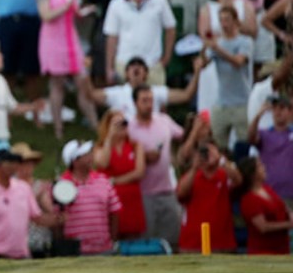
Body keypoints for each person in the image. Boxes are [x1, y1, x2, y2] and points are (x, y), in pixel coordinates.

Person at [35, 0, 97, 138]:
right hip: (53, 41)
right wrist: (68, 3)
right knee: (57, 84)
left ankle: (95, 125)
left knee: (82, 81)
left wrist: (85, 11)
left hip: (71, 40)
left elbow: (75, 12)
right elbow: (46, 15)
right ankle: (58, 129)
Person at [126, 84, 186, 248]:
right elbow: (123, 157)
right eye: (144, 100)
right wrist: (144, 157)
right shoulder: (129, 128)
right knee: (146, 239)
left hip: (167, 190)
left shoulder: (164, 120)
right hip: (143, 194)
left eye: (151, 100)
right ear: (135, 103)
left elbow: (182, 135)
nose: (149, 104)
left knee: (173, 238)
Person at [102, 0, 175, 85]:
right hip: (124, 64)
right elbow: (111, 37)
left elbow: (171, 28)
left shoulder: (159, 0)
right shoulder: (116, 4)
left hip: (152, 64)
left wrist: (166, 58)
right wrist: (109, 68)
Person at [0, 149, 51, 259]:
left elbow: (37, 217)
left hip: (21, 254)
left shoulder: (23, 188)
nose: (14, 166)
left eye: (15, 162)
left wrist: (58, 219)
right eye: (10, 162)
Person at [175, 134, 239, 254]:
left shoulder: (224, 175)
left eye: (210, 151)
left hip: (222, 243)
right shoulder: (191, 176)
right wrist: (195, 167)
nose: (207, 155)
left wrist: (220, 159)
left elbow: (238, 180)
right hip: (193, 244)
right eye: (204, 152)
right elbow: (181, 193)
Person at [60, 139, 121, 255]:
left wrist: (112, 240)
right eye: (86, 155)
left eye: (90, 153)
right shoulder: (62, 184)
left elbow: (114, 212)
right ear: (75, 161)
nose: (91, 157)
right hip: (75, 251)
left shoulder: (103, 181)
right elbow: (57, 218)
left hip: (104, 248)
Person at [92, 110, 147, 239]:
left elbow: (140, 172)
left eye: (123, 123)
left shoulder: (135, 145)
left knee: (133, 235)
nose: (121, 127)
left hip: (131, 199)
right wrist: (110, 137)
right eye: (116, 124)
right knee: (111, 234)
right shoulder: (99, 147)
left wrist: (115, 181)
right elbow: (103, 163)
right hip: (110, 199)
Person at [205, 6, 253, 150]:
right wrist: (204, 48)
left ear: (235, 21)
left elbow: (239, 62)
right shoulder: (217, 43)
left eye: (227, 19)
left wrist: (218, 49)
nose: (224, 24)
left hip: (242, 103)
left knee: (244, 145)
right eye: (221, 20)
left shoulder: (245, 42)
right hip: (222, 102)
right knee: (217, 145)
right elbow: (203, 63)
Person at [246, 95, 293, 214]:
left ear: (289, 112)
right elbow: (250, 137)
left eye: (282, 108)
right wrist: (258, 115)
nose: (278, 111)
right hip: (269, 194)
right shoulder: (264, 133)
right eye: (275, 108)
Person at [237, 157, 292, 255]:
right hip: (263, 251)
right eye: (260, 166)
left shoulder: (267, 189)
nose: (264, 168)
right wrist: (289, 224)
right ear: (252, 174)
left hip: (282, 248)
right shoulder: (249, 199)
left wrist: (290, 213)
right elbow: (263, 227)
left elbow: (282, 206)